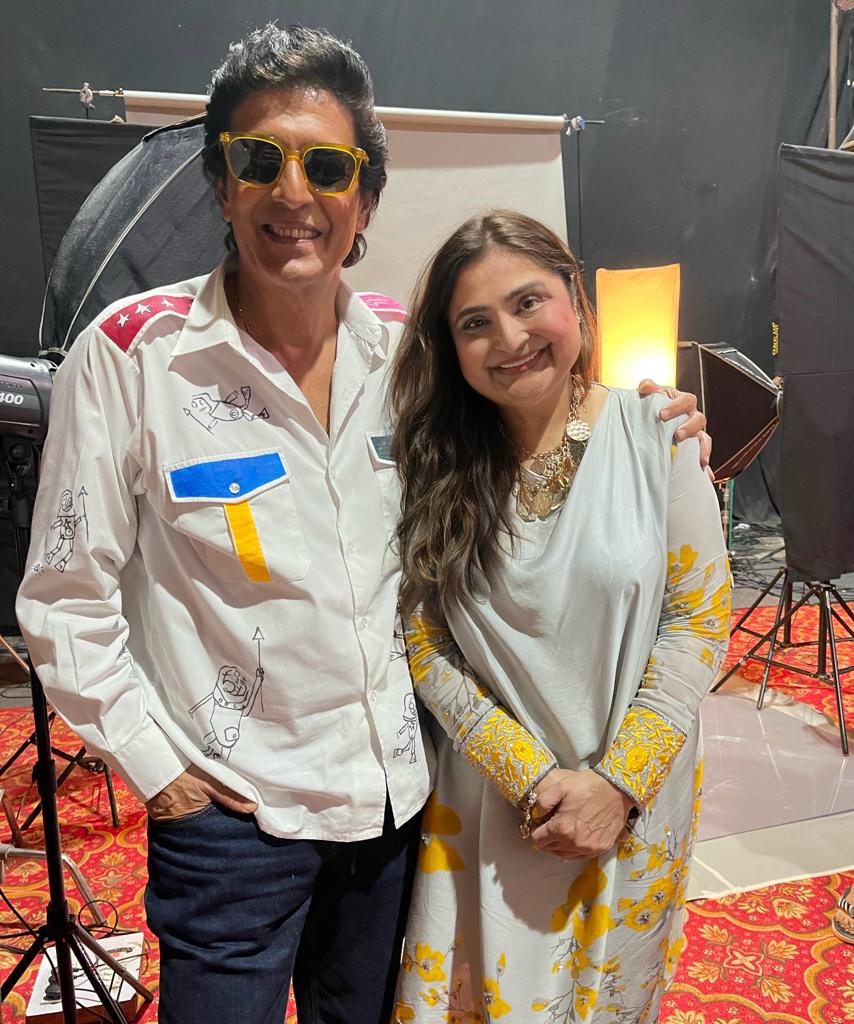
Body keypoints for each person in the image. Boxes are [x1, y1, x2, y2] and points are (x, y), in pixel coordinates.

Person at [15, 26, 709, 1024]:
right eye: (259, 160)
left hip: (391, 809)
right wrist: (162, 776)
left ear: (365, 200)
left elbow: (524, 434)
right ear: (220, 185)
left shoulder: (403, 354)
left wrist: (648, 422)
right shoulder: (131, 360)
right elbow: (64, 598)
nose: (293, 192)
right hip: (231, 817)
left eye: (328, 167)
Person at [388, 210, 731, 1023]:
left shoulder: (659, 434)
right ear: (450, 346)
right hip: (493, 802)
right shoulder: (433, 461)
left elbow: (698, 621)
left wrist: (618, 786)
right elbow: (423, 640)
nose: (510, 338)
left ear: (574, 296)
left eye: (528, 302)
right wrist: (534, 780)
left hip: (637, 797)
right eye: (476, 323)